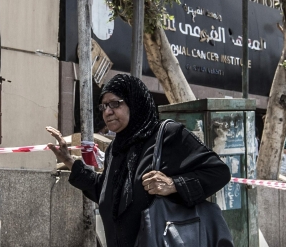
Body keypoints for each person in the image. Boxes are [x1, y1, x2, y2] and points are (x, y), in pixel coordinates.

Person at [46, 74, 231, 247]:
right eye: (103, 106)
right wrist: (70, 161)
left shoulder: (167, 135)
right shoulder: (115, 150)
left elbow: (218, 172)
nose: (107, 112)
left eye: (115, 104)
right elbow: (105, 192)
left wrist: (173, 184)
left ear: (134, 103)